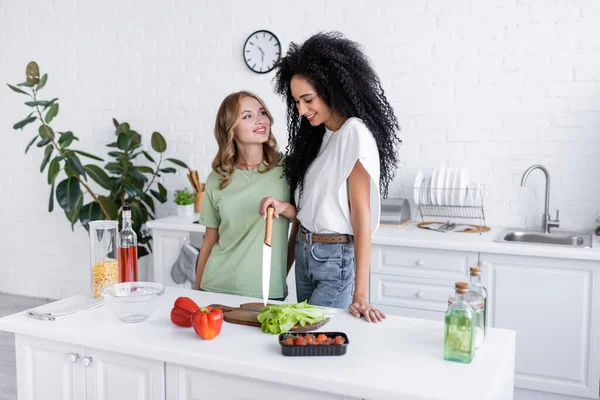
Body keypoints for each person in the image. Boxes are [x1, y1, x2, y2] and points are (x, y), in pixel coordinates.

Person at [260, 32, 401, 322]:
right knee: (304, 342)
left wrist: (361, 294)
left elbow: (361, 216)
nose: (301, 110)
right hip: (305, 252)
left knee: (315, 340)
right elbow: (312, 209)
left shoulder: (354, 134)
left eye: (308, 99)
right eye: (296, 101)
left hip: (334, 259)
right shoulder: (320, 136)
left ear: (330, 89)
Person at [194, 91, 295, 300]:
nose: (260, 120)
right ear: (230, 128)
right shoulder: (218, 178)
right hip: (215, 286)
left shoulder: (287, 169)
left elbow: (304, 218)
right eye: (247, 116)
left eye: (262, 112)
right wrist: (195, 292)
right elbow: (210, 240)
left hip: (266, 290)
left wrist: (283, 207)